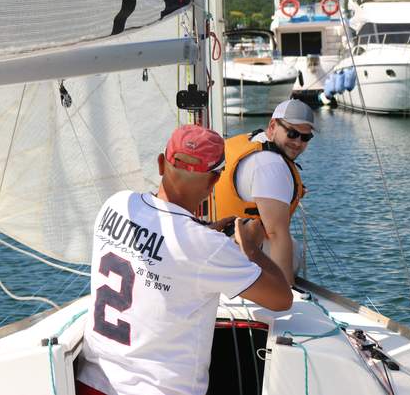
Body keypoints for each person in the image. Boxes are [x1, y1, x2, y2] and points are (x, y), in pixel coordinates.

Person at [77, 124, 292, 395]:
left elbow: (162, 243)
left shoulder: (116, 205)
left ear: (159, 164)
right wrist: (252, 249)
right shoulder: (206, 247)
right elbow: (282, 299)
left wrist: (205, 232)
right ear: (214, 181)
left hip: (92, 383)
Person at [214, 99, 315, 285]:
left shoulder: (252, 140)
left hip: (216, 244)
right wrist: (286, 293)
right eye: (292, 133)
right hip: (239, 256)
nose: (298, 142)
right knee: (292, 248)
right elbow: (276, 234)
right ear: (273, 125)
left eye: (305, 137)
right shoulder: (272, 165)